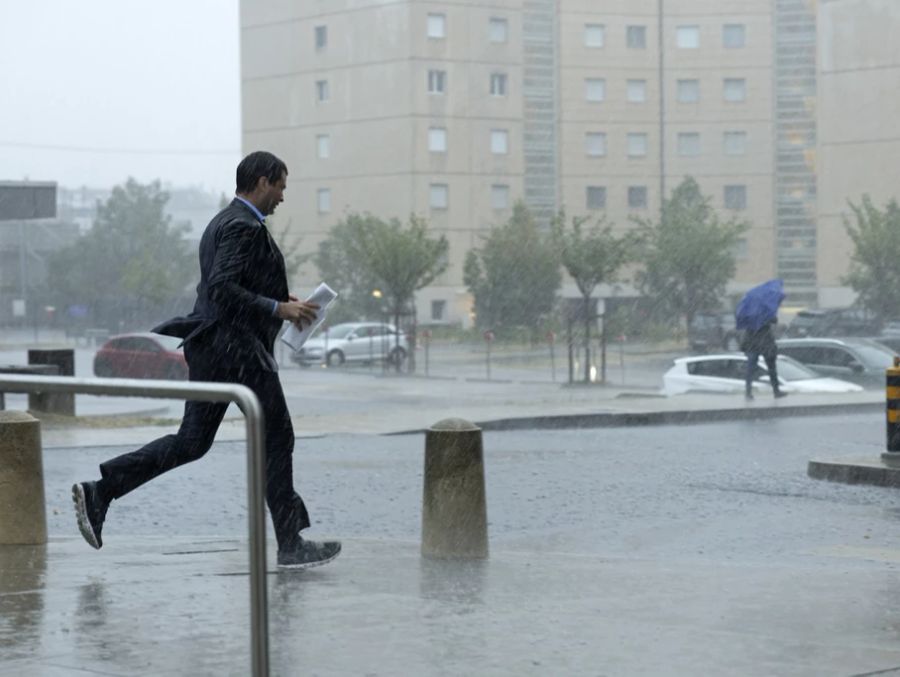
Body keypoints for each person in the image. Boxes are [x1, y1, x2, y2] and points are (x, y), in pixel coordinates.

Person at [72, 151, 341, 569]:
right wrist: (276, 309)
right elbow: (221, 288)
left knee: (192, 443)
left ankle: (101, 491)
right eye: (282, 187)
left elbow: (230, 284)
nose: (283, 198)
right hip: (237, 351)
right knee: (278, 436)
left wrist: (278, 299)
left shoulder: (223, 221)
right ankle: (291, 544)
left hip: (215, 347)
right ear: (263, 181)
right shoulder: (243, 226)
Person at [741, 317, 787, 400]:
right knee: (768, 369)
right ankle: (775, 391)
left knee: (752, 369)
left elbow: (774, 320)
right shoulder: (764, 312)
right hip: (761, 343)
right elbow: (774, 320)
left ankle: (749, 392)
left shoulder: (750, 313)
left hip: (755, 344)